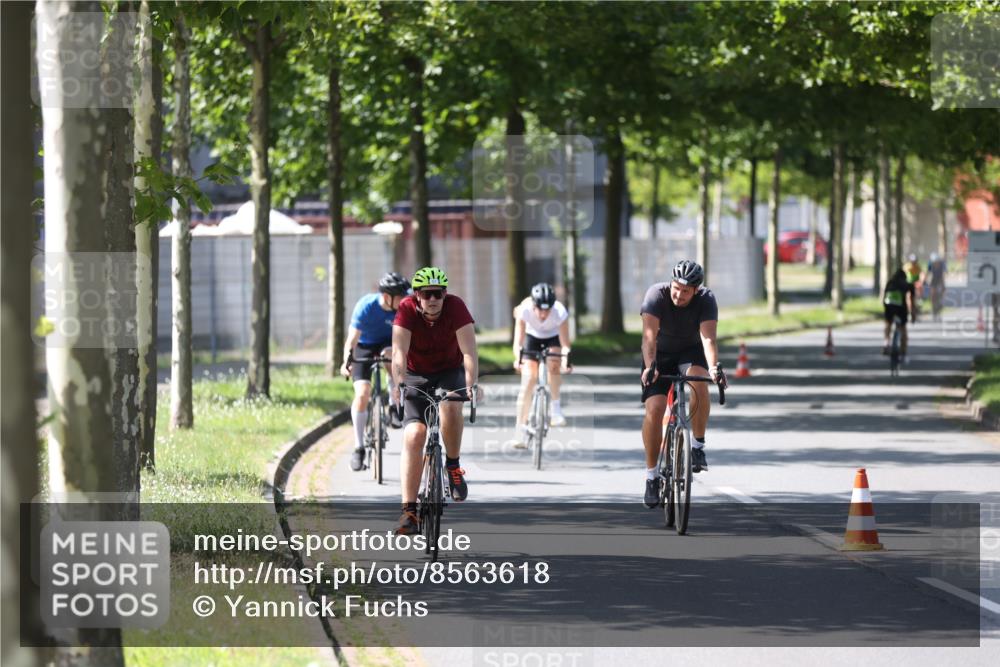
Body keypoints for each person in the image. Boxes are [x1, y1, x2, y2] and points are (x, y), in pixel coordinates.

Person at [391, 267, 479, 535]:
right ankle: (409, 512)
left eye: (438, 294)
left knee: (452, 408)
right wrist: (399, 383)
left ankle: (452, 465)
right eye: (427, 294)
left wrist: (471, 383)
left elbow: (469, 352)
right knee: (414, 435)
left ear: (445, 294)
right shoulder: (405, 310)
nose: (433, 299)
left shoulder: (456, 308)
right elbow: (398, 352)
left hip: (449, 371)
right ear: (417, 295)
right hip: (416, 374)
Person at [639, 260, 725, 509]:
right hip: (659, 354)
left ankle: (697, 445)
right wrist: (650, 367)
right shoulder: (656, 295)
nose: (679, 294)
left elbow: (708, 339)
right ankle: (652, 477)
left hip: (691, 352)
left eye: (686, 291)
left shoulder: (706, 299)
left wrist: (714, 368)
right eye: (677, 287)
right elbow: (648, 339)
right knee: (655, 409)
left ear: (696, 290)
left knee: (700, 382)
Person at [341, 272, 411, 472]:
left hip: (389, 344)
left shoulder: (402, 309)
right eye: (400, 296)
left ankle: (393, 405)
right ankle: (359, 447)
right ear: (388, 297)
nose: (404, 300)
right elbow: (352, 340)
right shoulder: (366, 306)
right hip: (364, 345)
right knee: (362, 394)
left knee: (391, 357)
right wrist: (346, 361)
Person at [509, 283, 573, 447]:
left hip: (552, 337)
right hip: (532, 337)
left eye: (548, 309)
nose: (544, 314)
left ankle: (556, 409)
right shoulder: (524, 310)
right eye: (540, 309)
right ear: (533, 305)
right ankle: (519, 430)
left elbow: (565, 344)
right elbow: (518, 343)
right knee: (529, 379)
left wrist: (565, 360)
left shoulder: (560, 312)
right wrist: (518, 359)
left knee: (554, 363)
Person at [882, 268, 915, 363]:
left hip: (889, 305)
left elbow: (884, 298)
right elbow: (911, 301)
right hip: (901, 307)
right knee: (903, 327)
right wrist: (913, 314)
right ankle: (903, 353)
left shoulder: (890, 282)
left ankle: (886, 342)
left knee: (888, 323)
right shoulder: (907, 285)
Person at [926, 252, 946, 320]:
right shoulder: (930, 264)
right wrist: (925, 281)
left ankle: (939, 309)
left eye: (937, 262)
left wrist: (943, 285)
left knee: (941, 295)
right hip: (933, 281)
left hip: (940, 281)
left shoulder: (942, 264)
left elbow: (943, 275)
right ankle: (934, 310)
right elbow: (928, 273)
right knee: (933, 295)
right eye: (934, 262)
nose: (936, 264)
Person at [903, 253, 922, 320]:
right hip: (908, 284)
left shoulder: (918, 267)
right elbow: (903, 274)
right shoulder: (907, 266)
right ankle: (909, 311)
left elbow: (921, 275)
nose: (913, 263)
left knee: (917, 295)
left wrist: (921, 281)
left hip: (916, 284)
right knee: (908, 297)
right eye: (912, 261)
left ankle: (919, 303)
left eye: (915, 261)